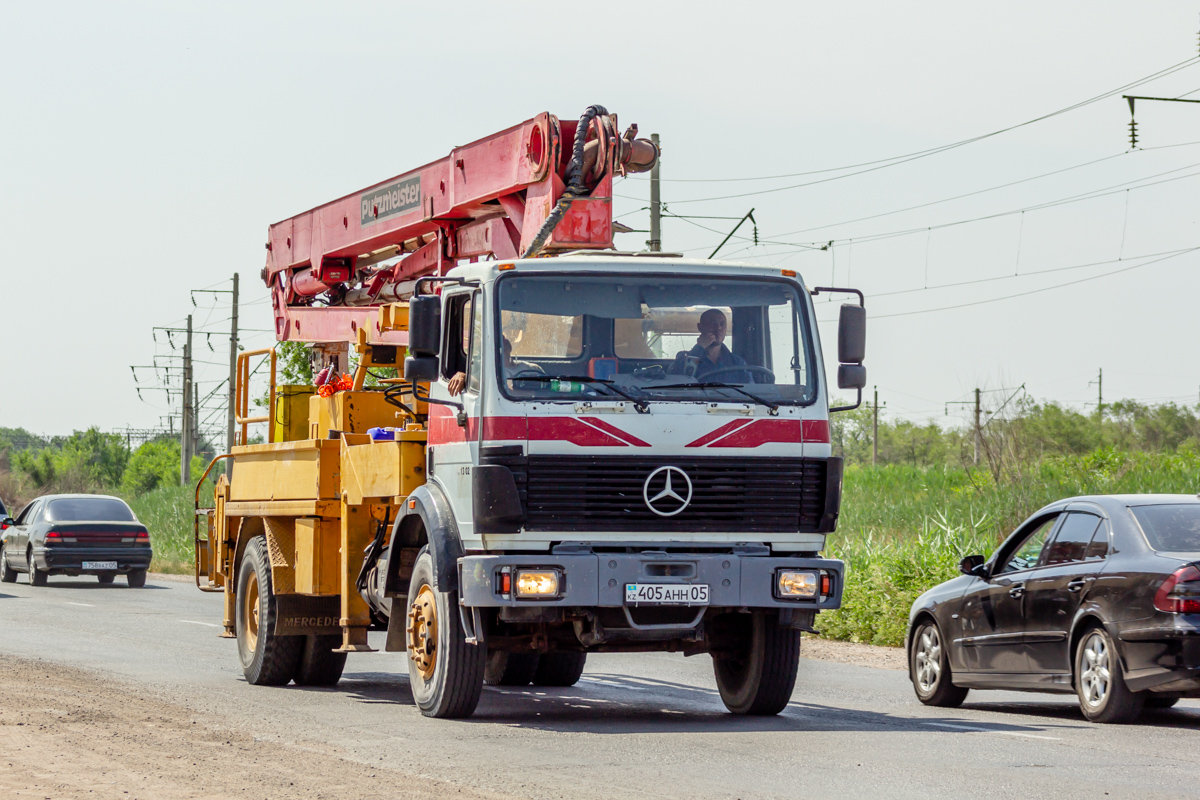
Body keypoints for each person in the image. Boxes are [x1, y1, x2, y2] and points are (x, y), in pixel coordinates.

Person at [668, 308, 756, 383]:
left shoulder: (737, 363)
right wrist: (699, 348)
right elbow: (677, 382)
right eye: (713, 324)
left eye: (722, 324)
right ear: (700, 327)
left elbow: (750, 393)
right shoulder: (685, 360)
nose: (718, 328)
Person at [448, 336, 542, 396]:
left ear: (509, 348)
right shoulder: (489, 371)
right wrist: (462, 376)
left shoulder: (533, 368)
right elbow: (474, 382)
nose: (500, 350)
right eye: (495, 348)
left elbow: (548, 389)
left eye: (503, 345)